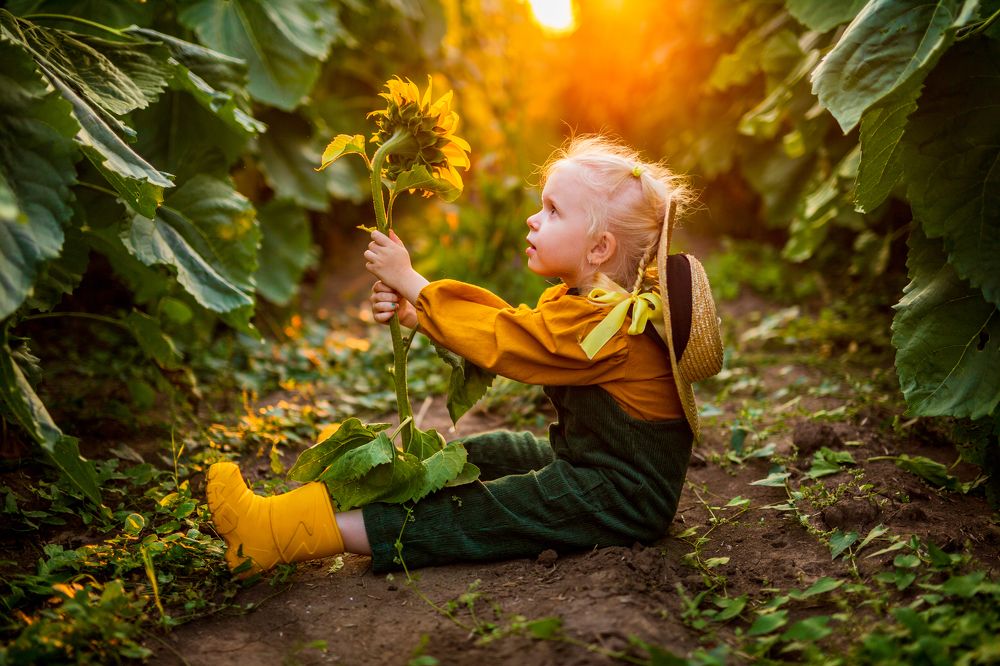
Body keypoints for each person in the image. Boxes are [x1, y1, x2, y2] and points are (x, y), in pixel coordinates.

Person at [206, 135, 723, 576]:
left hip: (623, 498)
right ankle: (345, 489)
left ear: (598, 249)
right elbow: (516, 326)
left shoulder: (609, 329)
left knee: (485, 509)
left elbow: (508, 340)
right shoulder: (589, 307)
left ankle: (277, 534)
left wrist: (413, 281)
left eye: (552, 211)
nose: (533, 218)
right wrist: (418, 314)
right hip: (595, 465)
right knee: (488, 454)